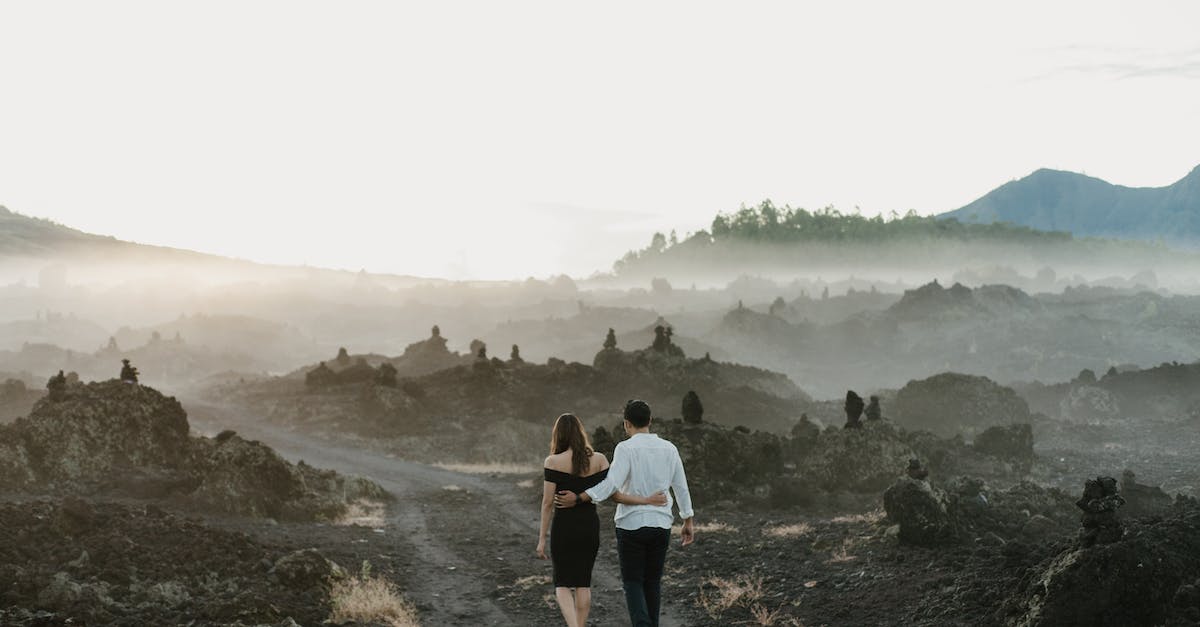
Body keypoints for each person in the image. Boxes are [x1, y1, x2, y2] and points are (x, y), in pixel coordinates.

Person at [555, 400, 695, 627]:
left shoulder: (625, 448)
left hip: (631, 525)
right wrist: (687, 519)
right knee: (653, 583)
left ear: (626, 424)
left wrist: (580, 497)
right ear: (650, 421)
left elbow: (611, 484)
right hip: (661, 524)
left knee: (633, 582)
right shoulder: (670, 448)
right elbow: (681, 486)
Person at [537, 413, 667, 627]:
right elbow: (614, 495)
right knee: (583, 583)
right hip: (589, 527)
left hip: (564, 528)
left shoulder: (552, 462)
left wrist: (542, 539)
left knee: (562, 583)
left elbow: (547, 503)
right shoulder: (599, 460)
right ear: (580, 433)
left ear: (558, 435)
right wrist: (646, 500)